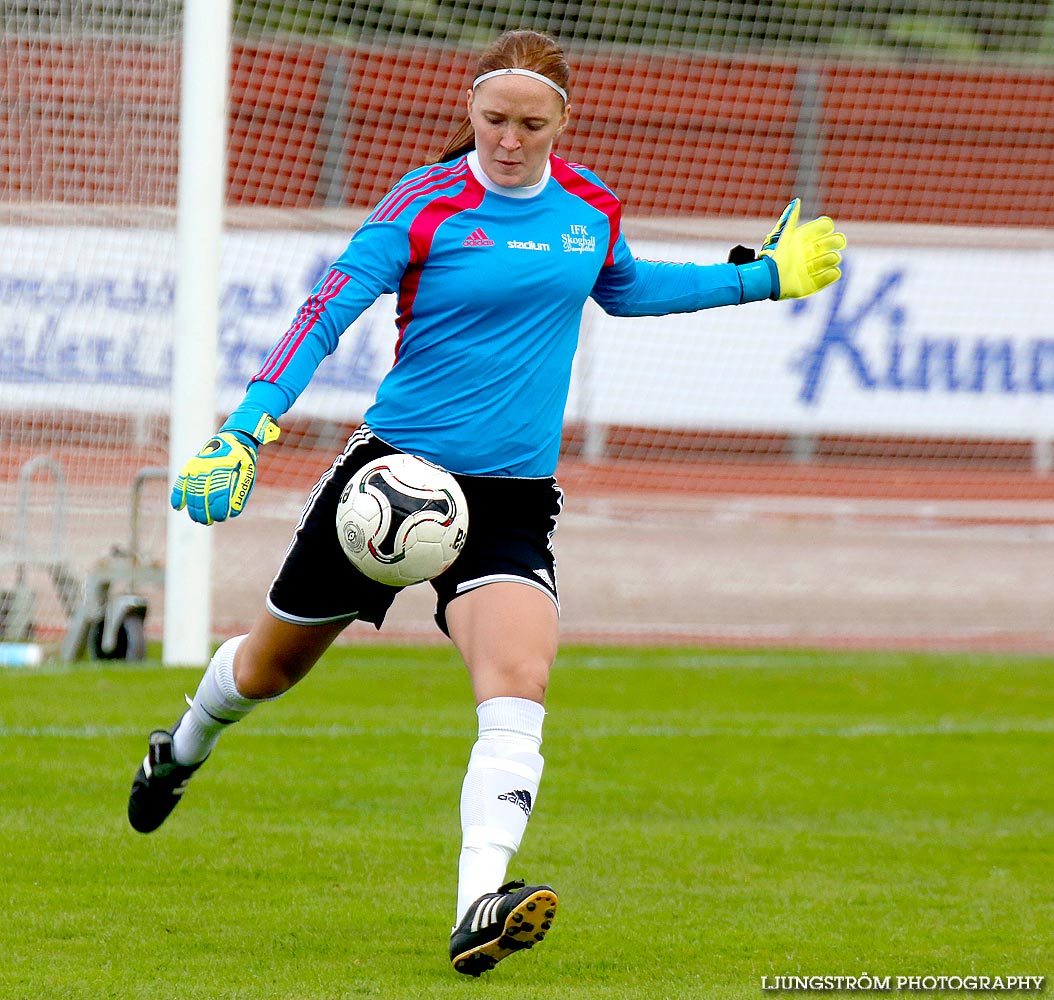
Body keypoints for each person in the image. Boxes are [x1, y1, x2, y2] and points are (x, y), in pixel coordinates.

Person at [127, 28, 846, 977]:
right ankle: (181, 746)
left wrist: (761, 276)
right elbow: (324, 313)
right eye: (494, 119)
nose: (510, 139)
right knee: (265, 672)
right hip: (389, 484)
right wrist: (246, 427)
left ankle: (479, 905)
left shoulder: (589, 206)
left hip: (509, 502)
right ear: (471, 112)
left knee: (519, 686)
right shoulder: (422, 207)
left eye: (531, 124)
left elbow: (625, 291)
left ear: (563, 121)